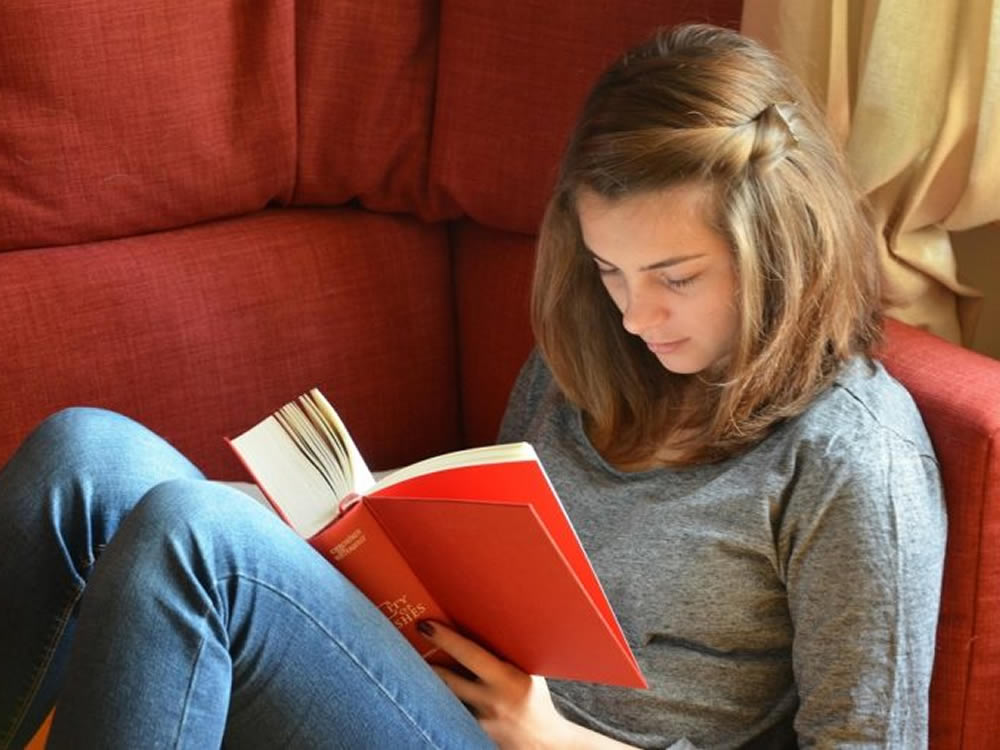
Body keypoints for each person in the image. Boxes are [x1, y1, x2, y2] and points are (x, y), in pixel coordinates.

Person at [0, 23, 945, 750]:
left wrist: (554, 736)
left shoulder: (854, 456)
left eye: (677, 276)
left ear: (779, 245)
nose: (636, 317)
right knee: (82, 455)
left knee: (195, 540)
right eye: (611, 271)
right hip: (438, 706)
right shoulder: (591, 357)